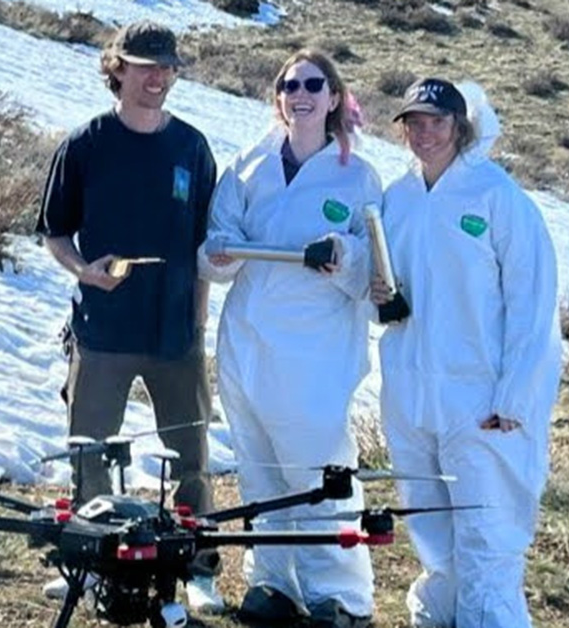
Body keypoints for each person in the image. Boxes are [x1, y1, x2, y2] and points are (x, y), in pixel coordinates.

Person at [34, 20, 223, 612]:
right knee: (90, 451)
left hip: (174, 333)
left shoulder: (191, 146)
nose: (158, 78)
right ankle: (89, 565)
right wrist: (84, 269)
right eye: (146, 67)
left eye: (167, 67)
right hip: (103, 331)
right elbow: (55, 232)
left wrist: (197, 325)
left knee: (190, 457)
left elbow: (204, 249)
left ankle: (198, 567)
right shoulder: (86, 143)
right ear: (117, 69)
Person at [370, 78, 562, 628]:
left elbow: (533, 309)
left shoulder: (497, 198)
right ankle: (440, 614)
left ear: (461, 126)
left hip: (480, 397)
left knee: (487, 529)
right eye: (414, 122)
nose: (425, 133)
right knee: (431, 524)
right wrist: (377, 291)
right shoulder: (398, 197)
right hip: (411, 391)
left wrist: (516, 398)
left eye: (437, 121)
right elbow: (383, 282)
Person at [198, 50, 379, 628]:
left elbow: (375, 265)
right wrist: (221, 253)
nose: (300, 93)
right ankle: (274, 584)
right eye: (289, 84)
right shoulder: (249, 164)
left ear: (333, 97)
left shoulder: (358, 176)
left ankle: (341, 597)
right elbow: (214, 243)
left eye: (313, 84)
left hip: (314, 352)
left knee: (318, 472)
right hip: (248, 343)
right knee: (259, 469)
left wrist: (344, 256)